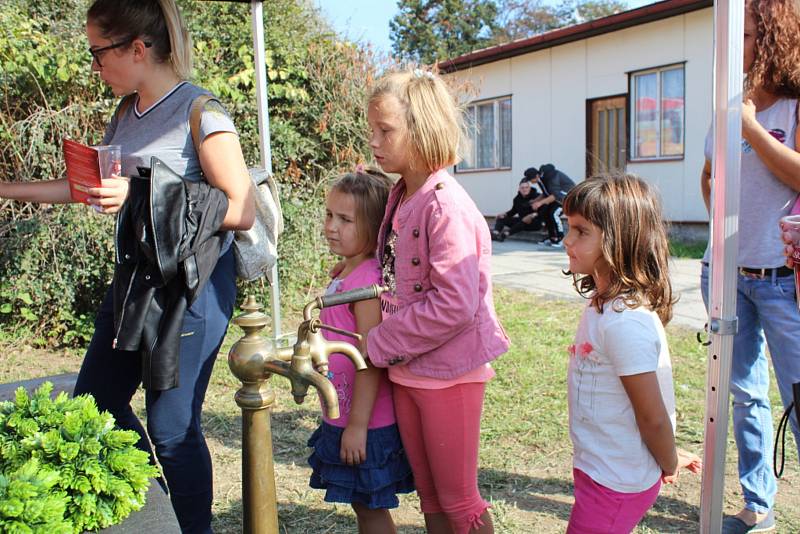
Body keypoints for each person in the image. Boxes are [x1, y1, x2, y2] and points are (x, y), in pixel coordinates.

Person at [0, 1, 254, 532]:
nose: (95, 66)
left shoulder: (203, 114)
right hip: (137, 282)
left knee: (171, 428)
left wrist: (141, 192)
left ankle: (190, 526)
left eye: (98, 53)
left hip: (194, 289)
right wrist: (7, 189)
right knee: (97, 402)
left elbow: (240, 208)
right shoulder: (124, 113)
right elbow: (85, 186)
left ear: (137, 49)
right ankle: (157, 508)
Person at [363, 68, 510, 534]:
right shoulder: (403, 193)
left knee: (459, 501)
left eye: (385, 130)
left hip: (449, 375)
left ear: (423, 129)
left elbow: (454, 304)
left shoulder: (445, 205)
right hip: (411, 369)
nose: (374, 141)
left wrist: (379, 341)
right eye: (373, 130)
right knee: (430, 497)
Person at [700, 2, 800, 531]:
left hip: (784, 281)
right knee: (742, 395)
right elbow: (710, 173)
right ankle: (756, 505)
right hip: (727, 276)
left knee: (797, 395)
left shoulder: (792, 106)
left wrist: (752, 129)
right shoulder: (728, 103)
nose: (733, 48)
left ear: (775, 37)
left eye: (745, 35)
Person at [562, 174, 701, 534]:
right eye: (568, 227)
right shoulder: (602, 307)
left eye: (581, 231)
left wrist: (667, 463)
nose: (566, 240)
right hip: (599, 468)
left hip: (616, 481)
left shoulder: (626, 323)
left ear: (619, 239)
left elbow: (652, 417)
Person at [307, 168, 414, 533]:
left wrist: (357, 426)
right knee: (359, 504)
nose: (332, 227)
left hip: (366, 421)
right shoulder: (348, 272)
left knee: (369, 507)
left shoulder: (367, 284)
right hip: (343, 412)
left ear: (373, 228)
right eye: (329, 215)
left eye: (346, 220)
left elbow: (370, 359)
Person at [526, 164, 576, 248]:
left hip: (568, 198)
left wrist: (539, 203)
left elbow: (554, 195)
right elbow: (546, 193)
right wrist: (535, 201)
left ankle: (562, 239)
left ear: (536, 176)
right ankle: (553, 237)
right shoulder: (541, 179)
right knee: (546, 213)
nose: (530, 182)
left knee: (554, 214)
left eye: (530, 180)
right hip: (559, 198)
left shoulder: (551, 178)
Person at [491, 176, 540, 241]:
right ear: (519, 189)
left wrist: (533, 215)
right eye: (522, 188)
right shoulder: (517, 199)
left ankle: (506, 234)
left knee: (523, 221)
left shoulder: (538, 196)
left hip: (534, 222)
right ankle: (495, 234)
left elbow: (543, 211)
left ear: (530, 188)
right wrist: (504, 214)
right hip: (521, 221)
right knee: (501, 218)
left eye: (526, 187)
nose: (524, 189)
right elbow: (513, 211)